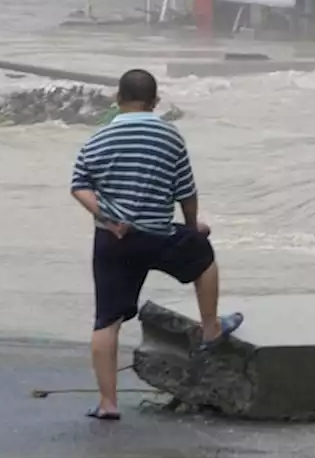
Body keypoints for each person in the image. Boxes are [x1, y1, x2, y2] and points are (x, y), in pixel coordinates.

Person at [70, 68, 243, 421]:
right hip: (158, 236)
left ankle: (108, 403)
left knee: (107, 320)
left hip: (113, 240)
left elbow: (79, 184)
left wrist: (105, 216)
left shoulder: (100, 138)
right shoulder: (169, 136)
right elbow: (186, 191)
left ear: (118, 100)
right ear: (155, 102)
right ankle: (210, 327)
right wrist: (194, 228)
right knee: (204, 257)